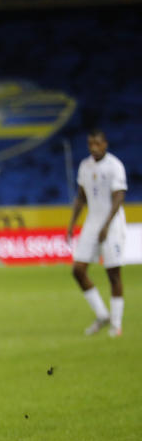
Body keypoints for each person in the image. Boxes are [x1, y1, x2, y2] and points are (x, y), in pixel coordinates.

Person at [66, 129, 127, 337]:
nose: (94, 147)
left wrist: (107, 226)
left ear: (105, 144)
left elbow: (119, 197)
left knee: (113, 274)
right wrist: (72, 223)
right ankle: (102, 315)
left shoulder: (115, 166)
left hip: (112, 223)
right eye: (90, 144)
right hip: (92, 222)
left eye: (97, 144)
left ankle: (116, 324)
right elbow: (81, 197)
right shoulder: (85, 165)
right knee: (78, 270)